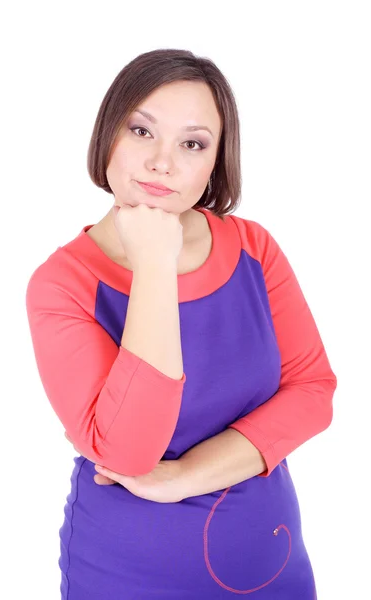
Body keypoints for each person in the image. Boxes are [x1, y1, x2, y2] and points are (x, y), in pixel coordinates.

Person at [25, 48, 337, 599]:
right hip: (127, 574)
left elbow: (312, 393)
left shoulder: (253, 249)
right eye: (142, 131)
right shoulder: (61, 285)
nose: (162, 162)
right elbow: (126, 453)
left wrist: (184, 477)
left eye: (192, 143)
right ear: (108, 137)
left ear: (214, 162)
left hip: (273, 562)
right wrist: (153, 266)